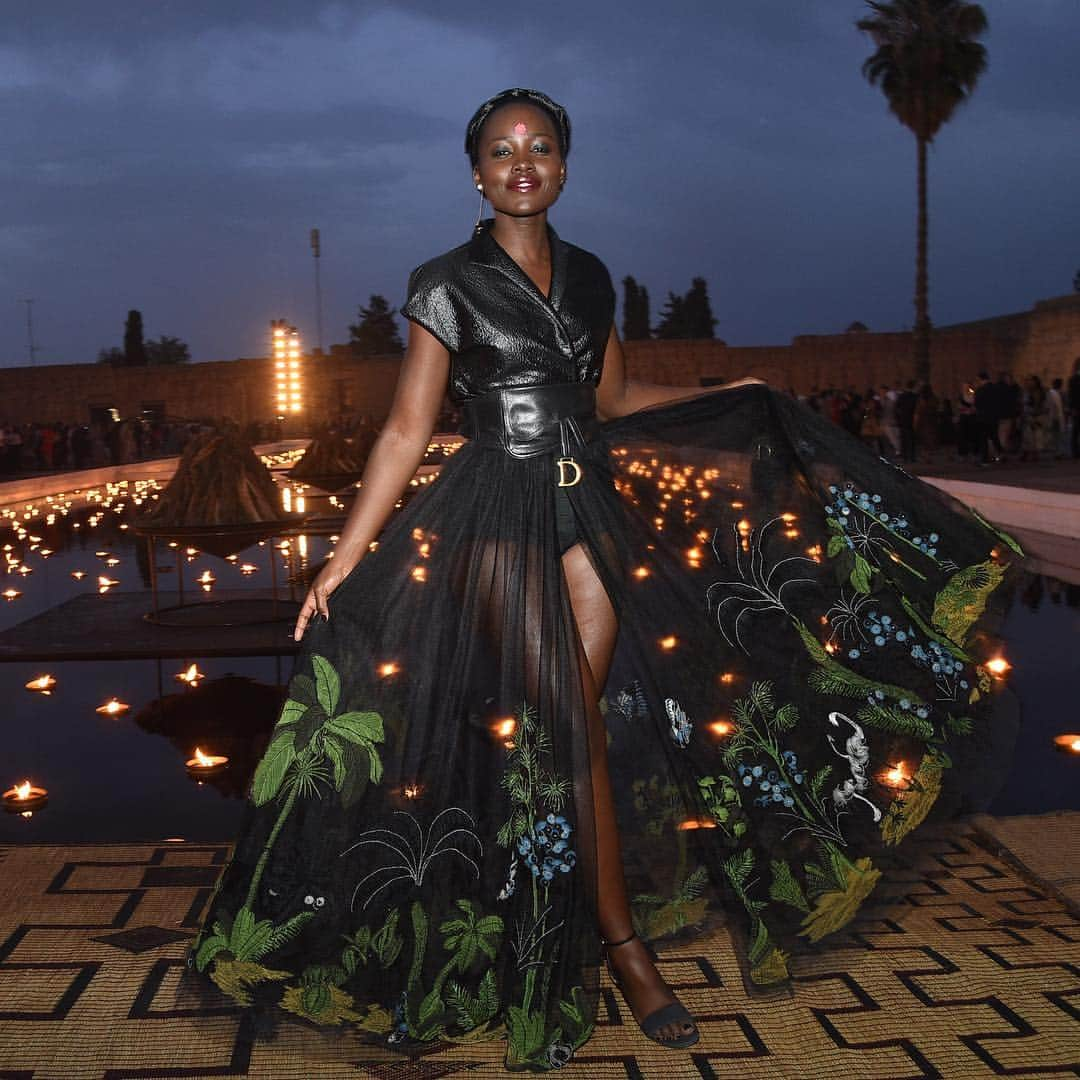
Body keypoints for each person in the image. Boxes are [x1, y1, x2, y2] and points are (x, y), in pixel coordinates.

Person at [184, 88, 1021, 1071]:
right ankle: (622, 948)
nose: (521, 160)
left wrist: (735, 393)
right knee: (569, 727)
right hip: (494, 515)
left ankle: (528, 897)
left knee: (565, 724)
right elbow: (408, 428)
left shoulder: (589, 279)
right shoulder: (444, 281)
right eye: (501, 150)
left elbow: (616, 397)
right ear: (478, 174)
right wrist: (348, 552)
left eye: (539, 146)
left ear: (565, 167)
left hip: (593, 515)